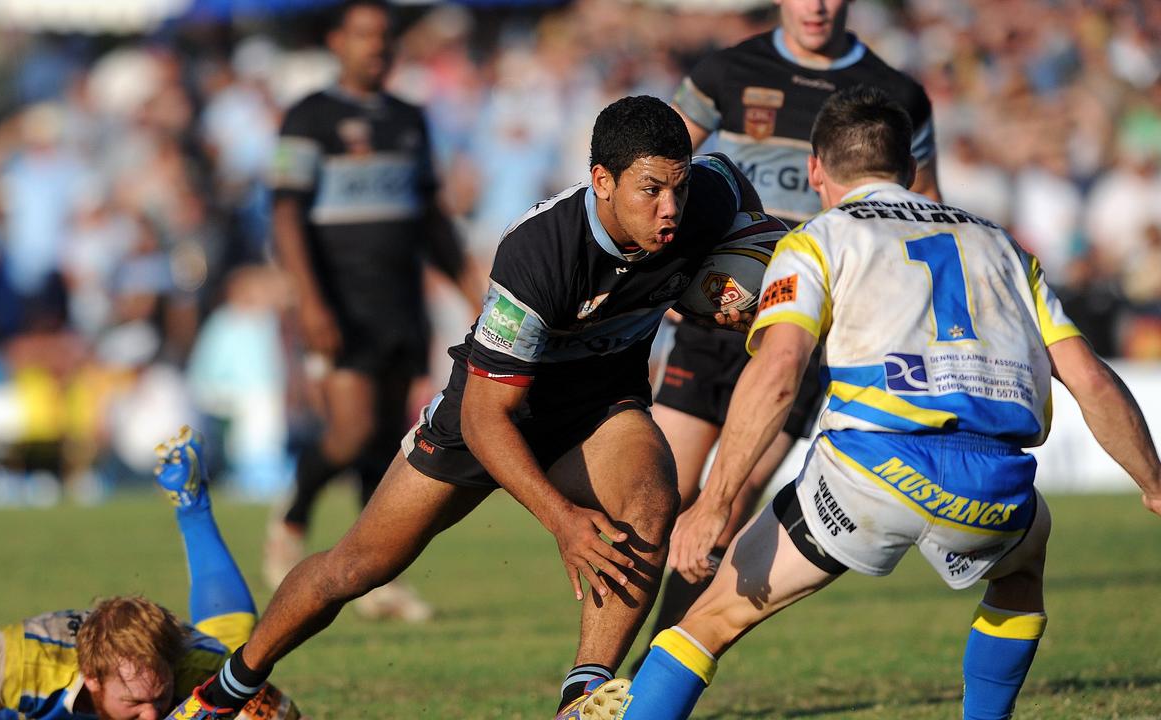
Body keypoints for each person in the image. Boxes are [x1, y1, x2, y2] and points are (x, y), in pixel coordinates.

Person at [164, 95, 761, 720]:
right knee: (355, 568)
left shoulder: (707, 195)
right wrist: (561, 519)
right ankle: (227, 689)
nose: (670, 208)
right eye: (650, 190)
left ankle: (583, 698)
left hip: (599, 405)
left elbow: (736, 192)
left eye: (678, 187)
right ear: (602, 182)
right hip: (492, 414)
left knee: (651, 504)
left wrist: (733, 281)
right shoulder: (538, 254)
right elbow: (484, 419)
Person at [576, 85, 1161, 719]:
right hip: (995, 481)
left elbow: (778, 371)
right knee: (1022, 572)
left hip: (869, 472)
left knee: (710, 619)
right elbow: (1093, 382)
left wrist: (714, 504)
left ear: (815, 170)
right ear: (911, 169)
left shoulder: (819, 238)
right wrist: (1154, 485)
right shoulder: (1005, 247)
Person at [644, 0, 944, 648]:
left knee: (725, 512)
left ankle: (645, 682)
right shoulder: (727, 70)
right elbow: (652, 169)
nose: (816, 5)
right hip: (713, 321)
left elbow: (925, 216)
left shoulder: (897, 94)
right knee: (650, 506)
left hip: (804, 339)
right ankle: (594, 675)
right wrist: (654, 271)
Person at [263, 0, 482, 619]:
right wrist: (308, 299)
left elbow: (431, 220)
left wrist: (471, 291)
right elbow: (285, 214)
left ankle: (374, 574)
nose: (376, 47)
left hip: (399, 301)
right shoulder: (310, 118)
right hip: (338, 302)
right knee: (351, 429)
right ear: (337, 41)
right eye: (363, 35)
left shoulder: (409, 120)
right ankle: (291, 521)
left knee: (387, 441)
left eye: (384, 36)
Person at [0, 427, 299, 720]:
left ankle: (193, 503)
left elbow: (287, 717)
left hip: (199, 657)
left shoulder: (195, 666)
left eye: (160, 697)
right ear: (94, 681)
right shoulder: (24, 662)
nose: (152, 715)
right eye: (134, 703)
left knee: (236, 655)